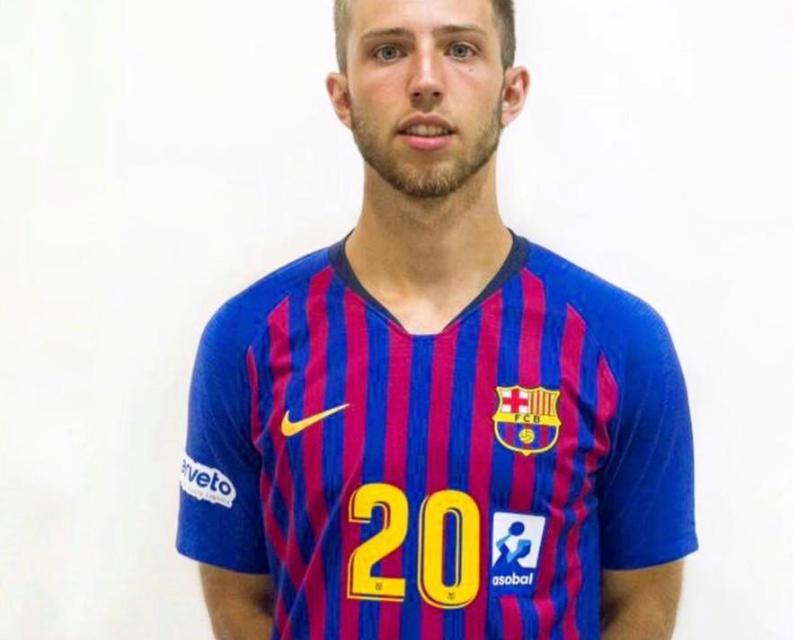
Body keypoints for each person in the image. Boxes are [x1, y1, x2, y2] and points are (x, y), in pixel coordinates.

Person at [175, 0, 699, 638]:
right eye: (389, 51)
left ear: (511, 91)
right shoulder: (249, 340)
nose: (426, 80)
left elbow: (641, 604)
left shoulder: (620, 344)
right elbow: (240, 604)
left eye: (460, 49)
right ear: (342, 96)